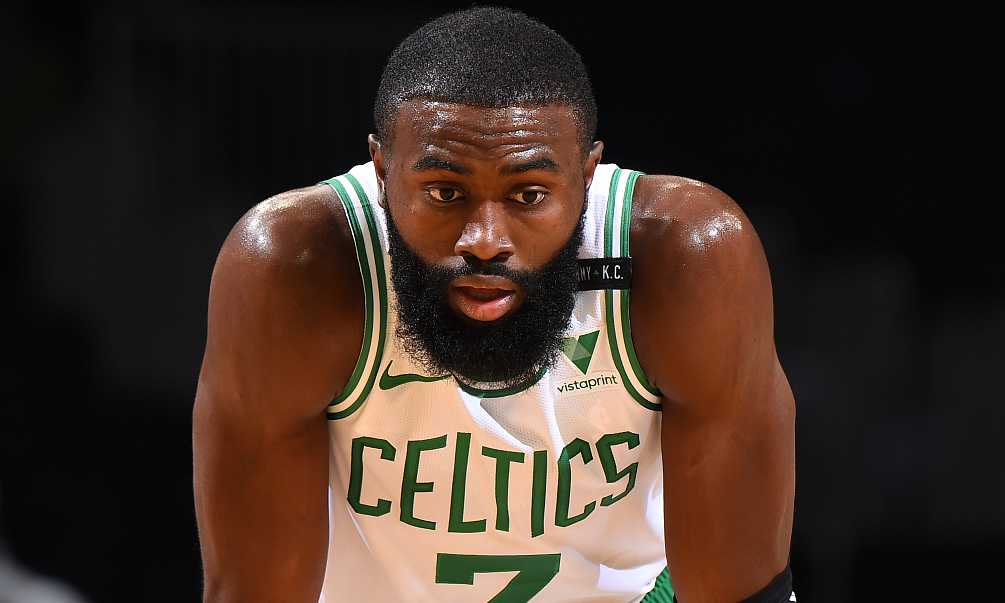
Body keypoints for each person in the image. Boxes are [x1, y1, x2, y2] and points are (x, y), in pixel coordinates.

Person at [193, 7, 796, 603]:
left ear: (587, 177)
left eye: (528, 195)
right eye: (444, 192)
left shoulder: (685, 259)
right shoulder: (295, 269)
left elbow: (741, 592)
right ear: (382, 172)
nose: (484, 240)